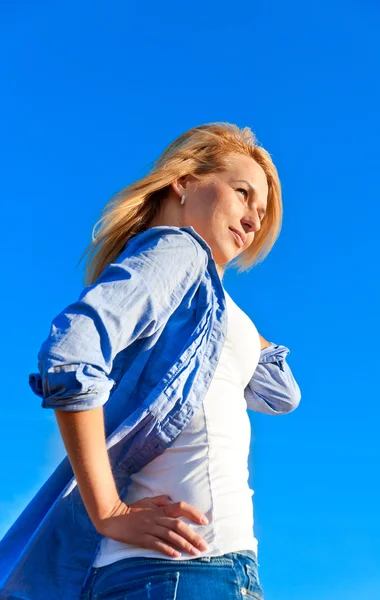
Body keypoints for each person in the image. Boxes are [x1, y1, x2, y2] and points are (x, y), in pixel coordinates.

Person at [0, 122, 301, 600]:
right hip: (184, 571)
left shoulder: (206, 295)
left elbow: (281, 393)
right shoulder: (178, 249)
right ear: (184, 182)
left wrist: (224, 307)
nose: (252, 221)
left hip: (206, 569)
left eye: (261, 213)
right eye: (243, 194)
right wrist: (108, 511)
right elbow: (72, 351)